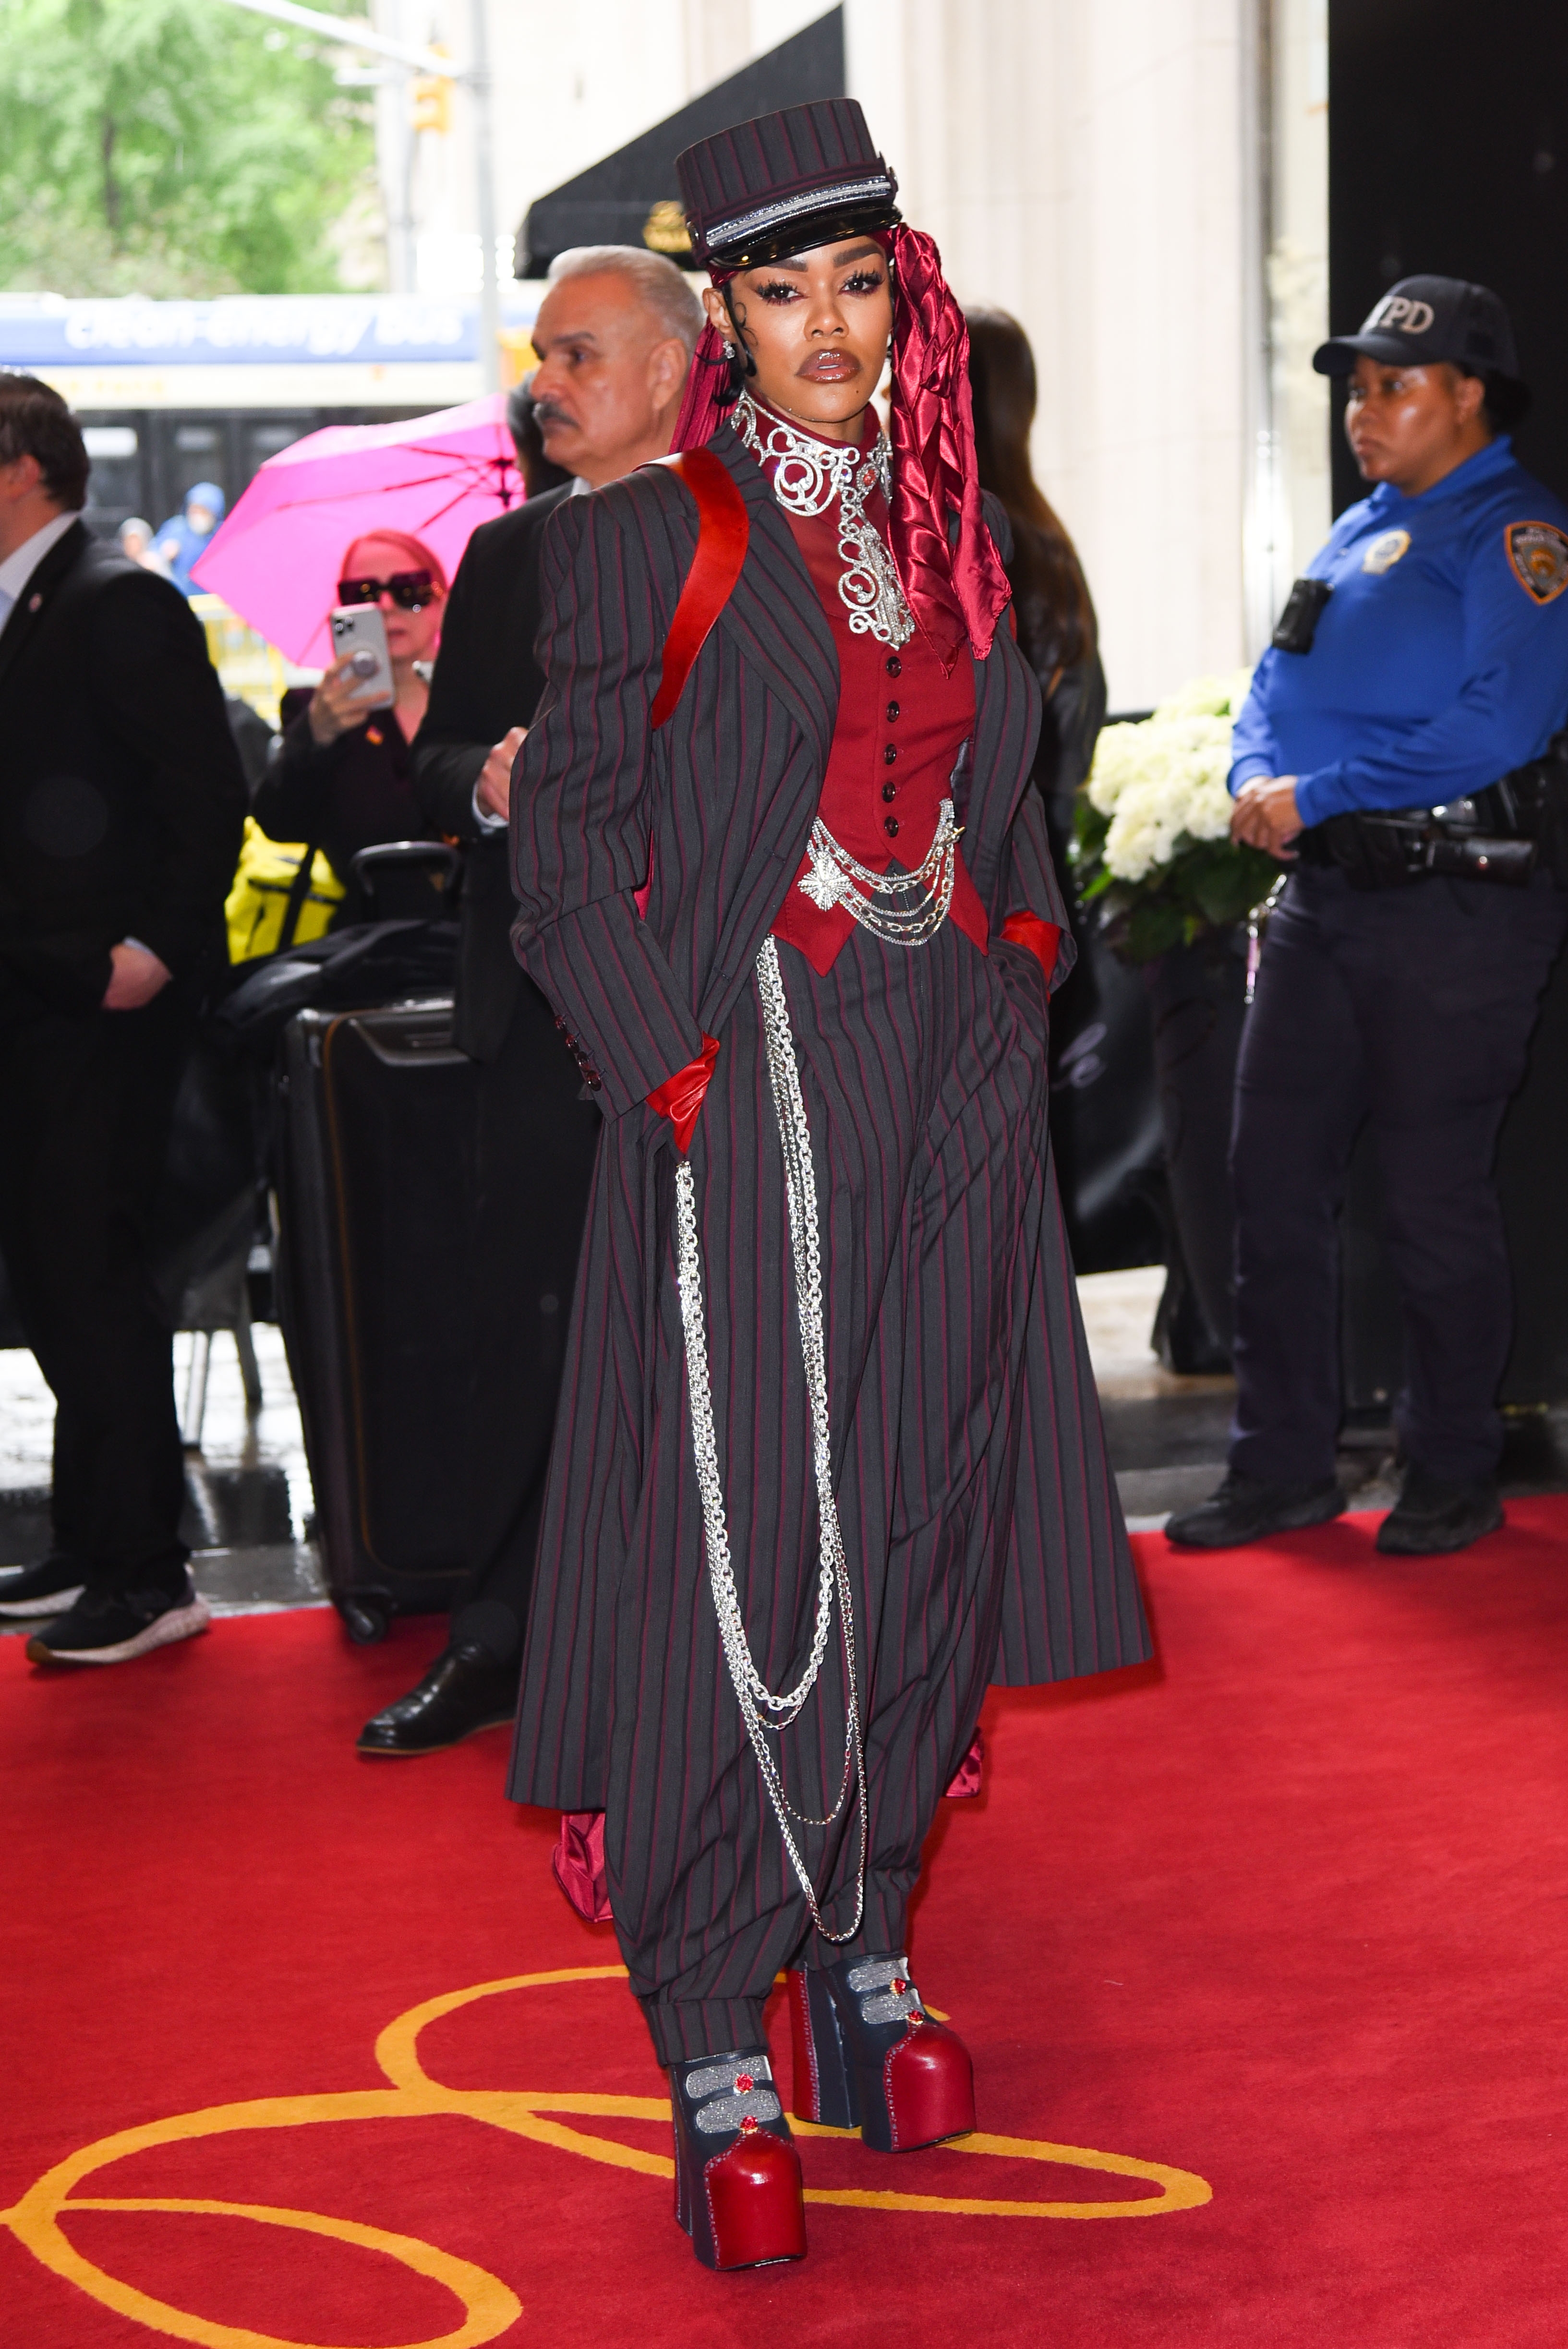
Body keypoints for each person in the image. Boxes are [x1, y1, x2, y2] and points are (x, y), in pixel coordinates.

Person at [505, 100, 1147, 2271]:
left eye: (858, 283)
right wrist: (669, 1064)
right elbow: (567, 855)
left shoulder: (955, 513)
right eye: (781, 293)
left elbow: (1006, 774)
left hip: (948, 1058)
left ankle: (864, 1940)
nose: (828, 329)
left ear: (902, 289)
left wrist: (1025, 945)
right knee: (741, 1542)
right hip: (746, 1075)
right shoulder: (640, 539)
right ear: (724, 319)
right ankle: (711, 2007)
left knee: (924, 1510)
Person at [359, 247, 703, 1757]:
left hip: (713, 1010)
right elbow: (433, 764)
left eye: (575, 356)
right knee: (529, 1335)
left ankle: (712, 1646)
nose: (542, 385)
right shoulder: (508, 556)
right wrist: (487, 783)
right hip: (540, 1012)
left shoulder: (756, 540)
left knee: (716, 1345)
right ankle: (498, 1629)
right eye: (541, 357)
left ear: (671, 370)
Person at [1167, 277, 1568, 1559]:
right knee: (1267, 1184)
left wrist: (1320, 791)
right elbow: (1272, 691)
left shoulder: (1514, 533)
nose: (1365, 407)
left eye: (1396, 382)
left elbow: (1498, 723)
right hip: (1323, 904)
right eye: (1356, 384)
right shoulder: (1357, 532)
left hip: (1453, 912)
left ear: (1470, 396)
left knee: (1431, 1197)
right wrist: (1250, 777)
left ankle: (1449, 1465)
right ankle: (1280, 1465)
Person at [0, 376, 245, 1663]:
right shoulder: (33, 606)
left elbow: (207, 790)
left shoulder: (117, 595)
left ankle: (149, 1574)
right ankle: (97, 1539)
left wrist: (147, 950)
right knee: (51, 1271)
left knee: (94, 1273)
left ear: (22, 468)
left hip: (103, 1005)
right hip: (37, 1001)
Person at [252, 530, 446, 925]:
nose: (388, 605)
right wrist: (316, 734)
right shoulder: (319, 711)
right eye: (364, 593)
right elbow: (279, 822)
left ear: (444, 601)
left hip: (501, 943)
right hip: (381, 947)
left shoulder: (483, 695)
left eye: (410, 590)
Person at [965, 306, 1104, 855]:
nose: (883, 398)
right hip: (1038, 843)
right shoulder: (1043, 537)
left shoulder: (975, 536)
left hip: (988, 855)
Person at [153, 482, 225, 598]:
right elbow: (150, 557)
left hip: (215, 603)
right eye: (194, 510)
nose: (197, 515)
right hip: (181, 601)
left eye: (203, 511)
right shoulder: (176, 529)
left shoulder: (223, 534)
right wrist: (163, 554)